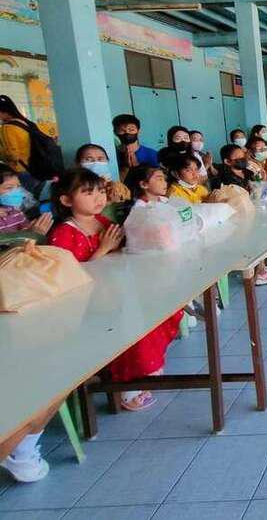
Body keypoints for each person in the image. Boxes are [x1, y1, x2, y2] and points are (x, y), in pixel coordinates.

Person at [49, 169, 179, 411]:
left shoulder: (103, 222)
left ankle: (141, 371)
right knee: (131, 322)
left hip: (113, 290)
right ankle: (126, 385)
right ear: (66, 200)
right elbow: (71, 278)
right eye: (88, 193)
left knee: (161, 306)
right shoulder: (64, 233)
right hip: (87, 305)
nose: (98, 197)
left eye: (100, 191)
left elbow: (121, 253)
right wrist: (103, 249)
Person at [217, 145, 267, 286]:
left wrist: (263, 173)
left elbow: (260, 184)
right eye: (238, 158)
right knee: (257, 230)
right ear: (227, 161)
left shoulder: (247, 172)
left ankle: (261, 265)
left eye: (243, 156)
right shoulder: (225, 179)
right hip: (236, 217)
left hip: (253, 209)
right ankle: (260, 272)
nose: (242, 159)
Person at [0, 94, 62, 191]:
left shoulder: (7, 128)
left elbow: (13, 155)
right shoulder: (25, 122)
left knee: (27, 198)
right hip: (37, 167)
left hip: (22, 169)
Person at [0, 163, 52, 240]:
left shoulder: (16, 212)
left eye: (18, 186)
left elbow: (26, 232)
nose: (17, 191)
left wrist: (33, 231)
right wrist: (32, 235)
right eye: (9, 188)